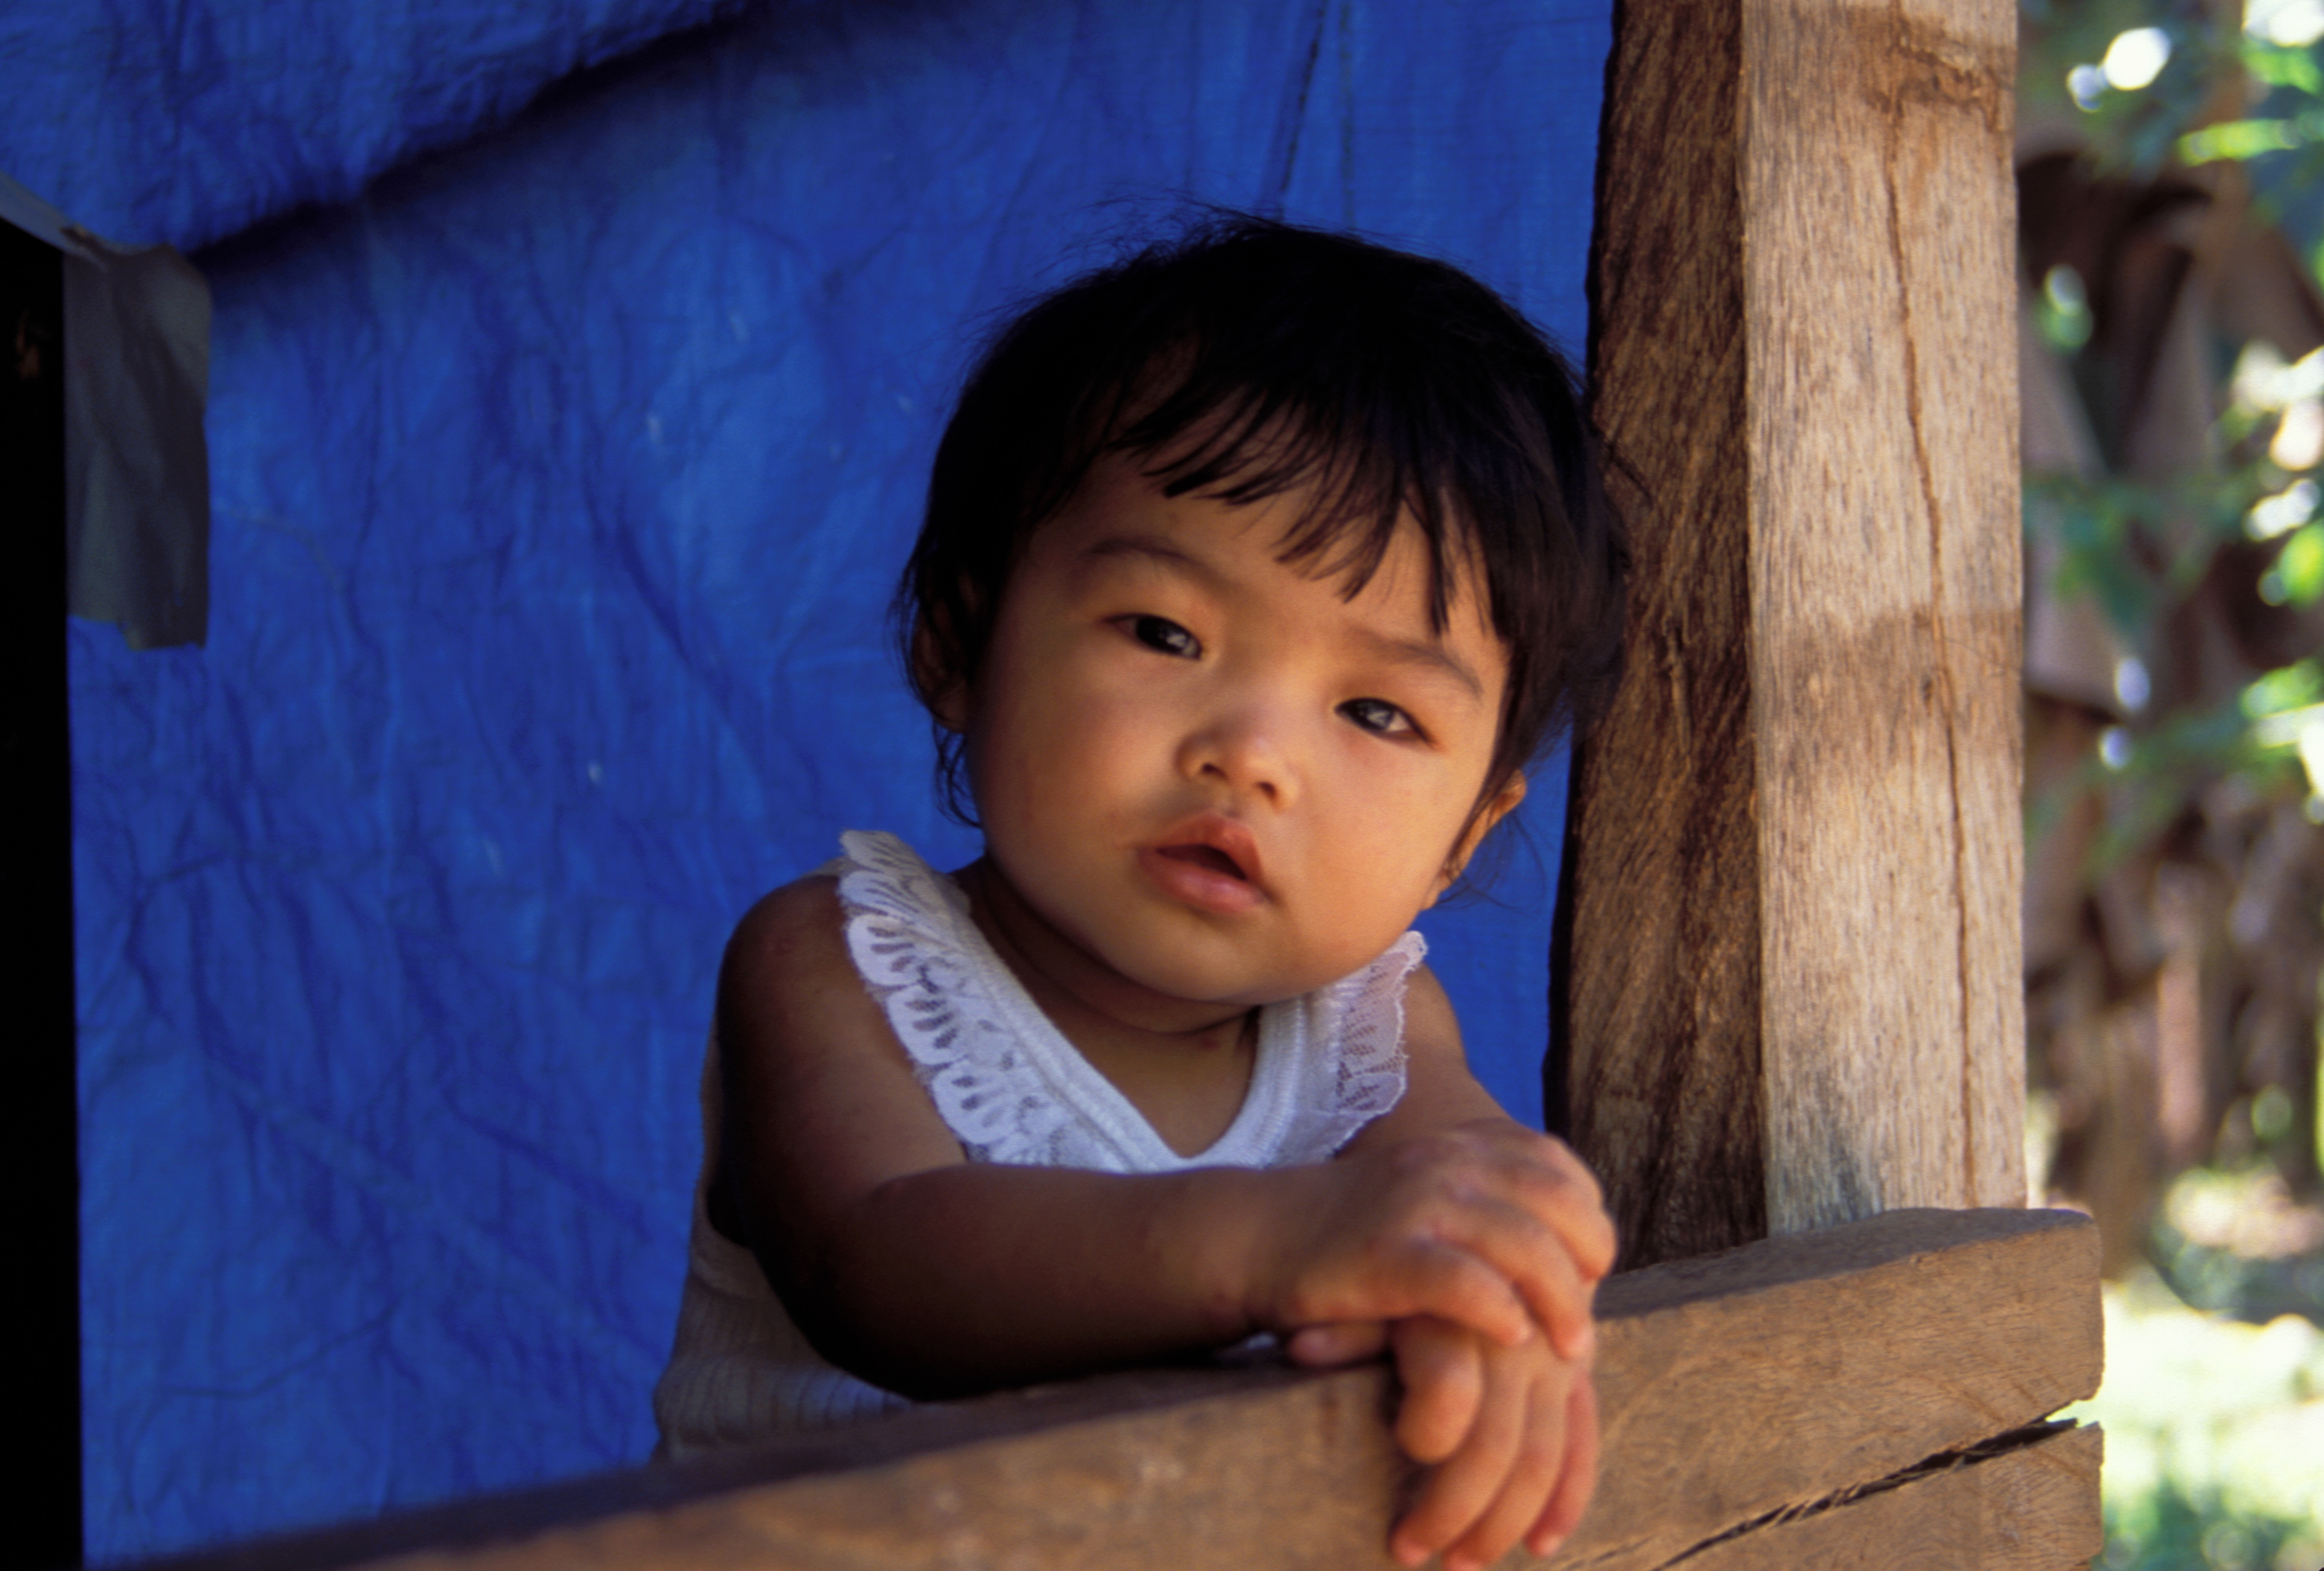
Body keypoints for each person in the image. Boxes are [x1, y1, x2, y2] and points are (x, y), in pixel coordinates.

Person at [653, 214, 1630, 1571]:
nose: (1252, 753)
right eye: (1164, 632)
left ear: (1464, 836)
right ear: (956, 634)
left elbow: (1451, 1182)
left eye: (1374, 710)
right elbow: (877, 1267)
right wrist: (1283, 1242)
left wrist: (1501, 1298)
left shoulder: (1373, 1033)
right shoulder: (836, 957)